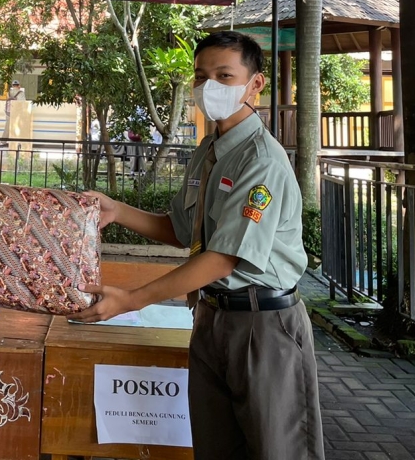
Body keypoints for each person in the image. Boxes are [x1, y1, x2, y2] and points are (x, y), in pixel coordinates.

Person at [75, 31, 324, 460]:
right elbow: (185, 230)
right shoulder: (210, 149)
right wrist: (117, 210)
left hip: (262, 326)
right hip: (211, 318)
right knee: (214, 446)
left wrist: (131, 299)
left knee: (275, 449)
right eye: (201, 76)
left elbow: (223, 257)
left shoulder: (259, 159)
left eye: (224, 75)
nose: (210, 87)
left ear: (255, 84)